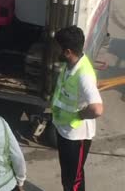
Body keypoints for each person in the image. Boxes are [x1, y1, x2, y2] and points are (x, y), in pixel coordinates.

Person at [52, 26, 103, 191]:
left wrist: (79, 115)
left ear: (67, 51)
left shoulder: (83, 75)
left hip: (76, 136)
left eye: (58, 48)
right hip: (64, 129)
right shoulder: (71, 63)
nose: (55, 51)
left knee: (74, 180)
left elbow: (97, 109)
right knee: (67, 176)